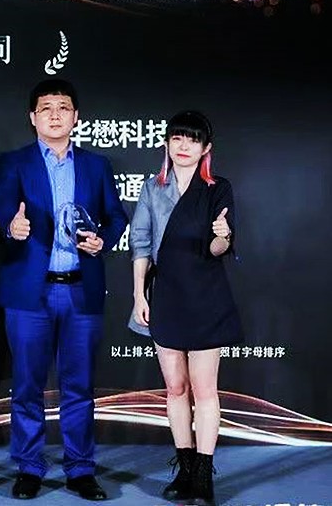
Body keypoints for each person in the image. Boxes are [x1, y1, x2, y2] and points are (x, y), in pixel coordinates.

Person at [0, 78, 128, 501]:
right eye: (46, 108)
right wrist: (12, 227)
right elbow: (1, 210)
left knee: (79, 386)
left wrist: (103, 239)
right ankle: (29, 467)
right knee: (27, 385)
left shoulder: (95, 165)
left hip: (80, 290)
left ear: (76, 117)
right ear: (32, 117)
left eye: (63, 107)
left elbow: (116, 216)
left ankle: (80, 468)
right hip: (29, 292)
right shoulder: (13, 162)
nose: (55, 114)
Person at [129, 111, 241, 506]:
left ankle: (204, 476)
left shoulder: (217, 188)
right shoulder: (153, 188)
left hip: (205, 297)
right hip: (166, 295)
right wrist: (139, 295)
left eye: (192, 140)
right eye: (177, 138)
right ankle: (185, 468)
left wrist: (223, 235)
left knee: (204, 389)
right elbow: (141, 243)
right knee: (175, 388)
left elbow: (217, 248)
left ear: (206, 148)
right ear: (167, 143)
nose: (183, 146)